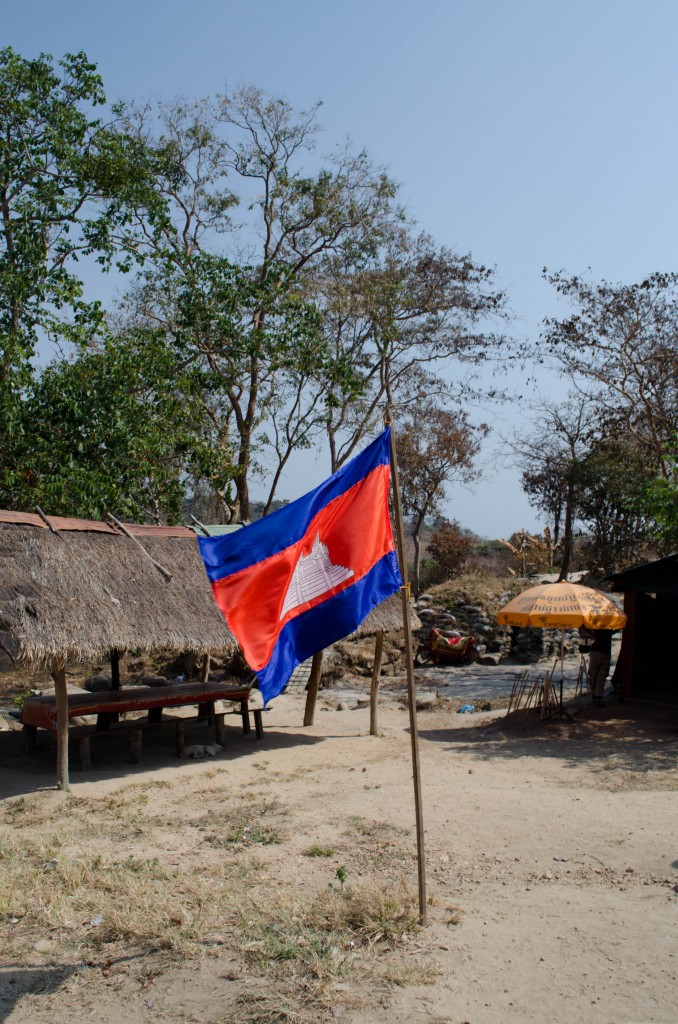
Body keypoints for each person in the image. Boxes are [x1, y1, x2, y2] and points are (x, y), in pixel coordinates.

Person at [579, 628, 614, 707]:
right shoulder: (597, 624)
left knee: (601, 675)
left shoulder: (610, 624)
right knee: (594, 674)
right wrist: (593, 635)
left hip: (603, 652)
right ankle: (595, 695)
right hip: (598, 651)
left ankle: (598, 695)